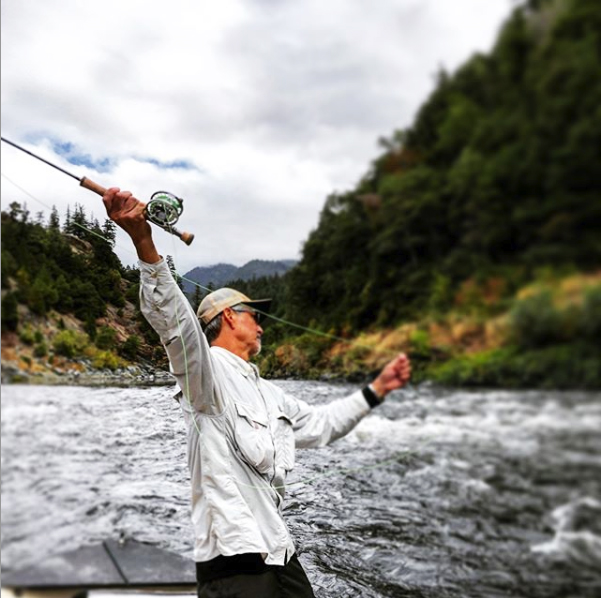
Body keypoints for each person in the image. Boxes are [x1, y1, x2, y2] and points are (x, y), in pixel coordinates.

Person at [103, 187, 412, 598]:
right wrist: (144, 242)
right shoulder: (205, 375)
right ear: (229, 316)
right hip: (232, 564)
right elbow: (175, 326)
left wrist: (377, 389)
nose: (262, 325)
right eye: (255, 315)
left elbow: (323, 425)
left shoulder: (271, 395)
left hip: (281, 555)